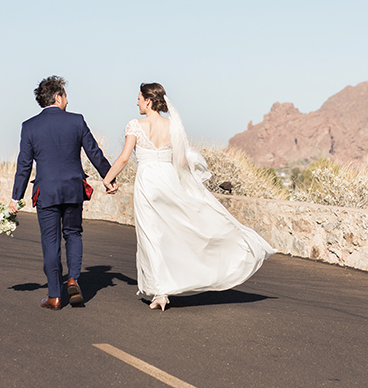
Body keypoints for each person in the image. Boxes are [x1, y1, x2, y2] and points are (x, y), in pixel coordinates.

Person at [102, 82, 275, 311]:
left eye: (139, 98)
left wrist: (107, 178)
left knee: (151, 236)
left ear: (148, 101)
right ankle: (172, 283)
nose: (137, 103)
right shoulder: (172, 126)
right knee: (174, 232)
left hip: (147, 183)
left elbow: (124, 158)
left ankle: (160, 292)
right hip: (168, 180)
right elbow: (182, 161)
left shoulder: (135, 125)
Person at [8, 76, 117, 310]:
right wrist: (109, 178)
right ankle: (73, 279)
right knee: (73, 234)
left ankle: (55, 296)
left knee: (50, 241)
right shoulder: (77, 121)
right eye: (65, 96)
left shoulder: (29, 126)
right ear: (58, 97)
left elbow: (24, 165)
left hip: (46, 192)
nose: (67, 100)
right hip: (72, 189)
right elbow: (94, 152)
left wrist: (16, 197)